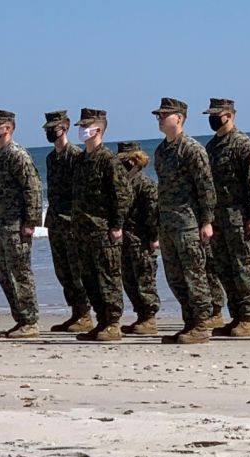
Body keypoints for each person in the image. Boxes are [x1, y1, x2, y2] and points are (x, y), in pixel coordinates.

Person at [151, 98, 217, 344]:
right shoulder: (161, 151)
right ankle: (189, 322)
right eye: (158, 115)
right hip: (168, 223)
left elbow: (206, 187)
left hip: (189, 223)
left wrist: (207, 221)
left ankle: (201, 324)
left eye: (164, 115)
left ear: (178, 118)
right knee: (175, 277)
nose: (159, 119)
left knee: (194, 275)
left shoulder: (191, 149)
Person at [203, 98, 250, 337]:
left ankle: (248, 317)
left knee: (241, 268)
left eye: (216, 114)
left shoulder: (242, 144)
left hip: (239, 218)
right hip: (219, 219)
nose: (212, 118)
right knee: (223, 268)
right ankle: (236, 316)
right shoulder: (211, 146)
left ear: (228, 115)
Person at [70, 108, 132, 342]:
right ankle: (101, 321)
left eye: (85, 126)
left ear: (97, 129)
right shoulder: (81, 159)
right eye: (80, 126)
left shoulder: (108, 159)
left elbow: (121, 194)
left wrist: (116, 224)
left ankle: (113, 322)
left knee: (108, 277)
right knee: (89, 279)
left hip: (103, 229)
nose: (81, 130)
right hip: (83, 230)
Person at [0, 109, 43, 339]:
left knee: (20, 273)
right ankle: (20, 320)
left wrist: (30, 221)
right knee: (3, 274)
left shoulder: (18, 155)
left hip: (16, 224)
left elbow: (33, 188)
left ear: (7, 128)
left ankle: (30, 321)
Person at [43, 110, 92, 334]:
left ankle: (84, 314)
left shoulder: (76, 155)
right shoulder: (51, 158)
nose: (51, 131)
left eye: (55, 127)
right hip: (55, 221)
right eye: (48, 128)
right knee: (62, 270)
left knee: (76, 270)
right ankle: (75, 312)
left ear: (65, 127)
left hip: (72, 221)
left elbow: (83, 191)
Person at [117, 141, 161, 335]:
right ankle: (141, 316)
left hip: (141, 238)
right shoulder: (122, 182)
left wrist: (154, 237)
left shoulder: (145, 184)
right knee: (128, 279)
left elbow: (152, 214)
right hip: (125, 238)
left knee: (145, 278)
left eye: (125, 160)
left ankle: (149, 318)